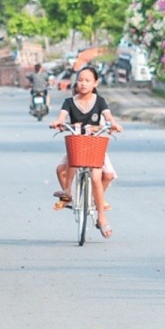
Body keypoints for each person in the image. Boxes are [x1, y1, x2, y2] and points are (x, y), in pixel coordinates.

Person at [51, 65, 123, 237]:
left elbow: (108, 117)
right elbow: (61, 117)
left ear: (95, 83)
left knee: (100, 177)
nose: (83, 83)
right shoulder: (69, 102)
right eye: (80, 80)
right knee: (60, 169)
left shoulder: (100, 101)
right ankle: (68, 194)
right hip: (77, 145)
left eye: (87, 80)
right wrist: (58, 123)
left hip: (95, 147)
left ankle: (101, 216)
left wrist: (113, 124)